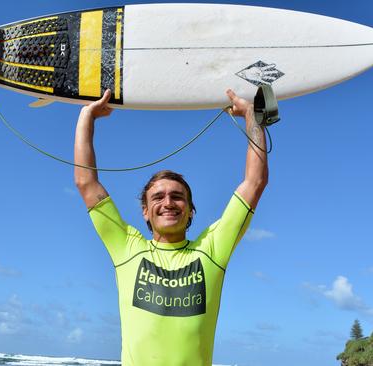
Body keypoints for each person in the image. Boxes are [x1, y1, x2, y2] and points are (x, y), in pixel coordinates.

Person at [74, 88, 268, 366]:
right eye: (158, 197)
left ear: (190, 211)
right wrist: (86, 117)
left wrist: (252, 116)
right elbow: (86, 184)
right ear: (145, 212)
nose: (168, 202)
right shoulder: (126, 247)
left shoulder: (211, 249)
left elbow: (255, 182)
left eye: (177, 197)